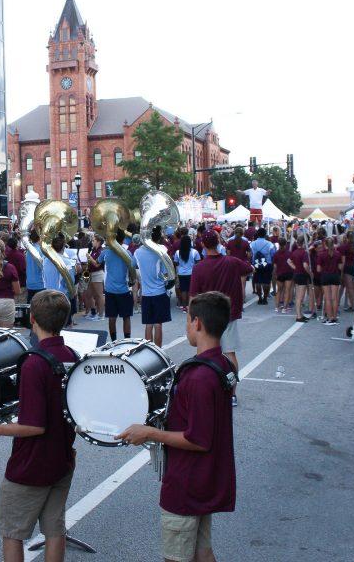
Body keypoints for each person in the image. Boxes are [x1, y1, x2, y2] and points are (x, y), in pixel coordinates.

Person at [117, 291, 235, 562]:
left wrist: (148, 432)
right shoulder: (222, 364)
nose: (187, 326)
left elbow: (198, 439)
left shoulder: (199, 377)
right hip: (205, 479)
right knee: (202, 552)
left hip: (187, 482)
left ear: (198, 324)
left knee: (177, 556)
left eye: (188, 321)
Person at [0, 290, 77, 562]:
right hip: (62, 457)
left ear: (32, 319)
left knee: (12, 533)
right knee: (54, 530)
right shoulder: (73, 356)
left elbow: (33, 426)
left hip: (30, 464)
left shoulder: (33, 363)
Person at [190, 231, 253, 407]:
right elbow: (250, 268)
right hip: (228, 314)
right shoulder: (232, 262)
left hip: (206, 315)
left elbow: (193, 296)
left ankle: (206, 391)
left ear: (203, 245)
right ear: (219, 242)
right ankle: (232, 393)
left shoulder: (199, 267)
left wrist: (191, 319)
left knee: (204, 354)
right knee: (229, 353)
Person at [135, 226, 172, 347]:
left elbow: (134, 267)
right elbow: (166, 273)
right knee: (158, 324)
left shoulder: (137, 252)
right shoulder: (162, 249)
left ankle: (149, 351)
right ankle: (159, 350)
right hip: (159, 292)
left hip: (145, 293)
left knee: (148, 324)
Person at [99, 229, 134, 341]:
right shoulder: (127, 253)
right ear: (123, 239)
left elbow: (98, 262)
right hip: (123, 289)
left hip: (109, 289)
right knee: (126, 317)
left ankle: (114, 341)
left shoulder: (105, 252)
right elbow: (133, 267)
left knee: (112, 317)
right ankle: (127, 340)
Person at [317, 237, 342, 325]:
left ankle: (329, 317)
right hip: (335, 276)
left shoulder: (321, 254)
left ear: (325, 244)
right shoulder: (338, 253)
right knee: (334, 298)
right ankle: (334, 317)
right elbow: (340, 267)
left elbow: (318, 269)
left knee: (327, 298)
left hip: (325, 276)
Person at [173, 234, 201, 313]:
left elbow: (175, 262)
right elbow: (198, 262)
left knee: (183, 290)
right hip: (192, 273)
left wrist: (180, 266)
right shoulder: (194, 252)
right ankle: (190, 306)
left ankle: (184, 307)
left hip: (181, 274)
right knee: (190, 290)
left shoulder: (178, 252)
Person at [288, 237, 313, 322]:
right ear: (303, 243)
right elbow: (305, 265)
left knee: (299, 296)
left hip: (296, 274)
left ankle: (300, 314)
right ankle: (298, 316)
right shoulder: (304, 253)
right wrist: (310, 273)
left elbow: (288, 261)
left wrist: (295, 268)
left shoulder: (294, 252)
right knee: (300, 297)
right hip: (302, 275)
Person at [84, 234, 106, 320]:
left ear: (98, 242)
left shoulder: (101, 251)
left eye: (93, 240)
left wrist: (89, 258)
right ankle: (94, 312)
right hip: (91, 273)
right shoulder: (93, 250)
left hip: (98, 273)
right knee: (88, 294)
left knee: (99, 295)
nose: (92, 242)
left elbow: (97, 264)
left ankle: (101, 315)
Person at [250, 228, 275, 305]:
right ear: (265, 234)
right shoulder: (270, 244)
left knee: (258, 281)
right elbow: (273, 255)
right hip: (267, 264)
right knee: (266, 282)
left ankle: (260, 298)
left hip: (256, 264)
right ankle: (265, 298)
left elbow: (250, 255)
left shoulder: (252, 244)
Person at [272, 238, 294, 314]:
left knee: (279, 291)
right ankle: (285, 308)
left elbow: (275, 266)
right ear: (285, 244)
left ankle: (277, 307)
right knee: (287, 291)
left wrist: (275, 274)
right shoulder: (289, 253)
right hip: (288, 273)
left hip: (279, 273)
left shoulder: (276, 254)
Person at [24, 230, 45, 303]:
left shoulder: (28, 250)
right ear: (40, 237)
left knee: (31, 309)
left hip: (30, 283)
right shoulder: (41, 250)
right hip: (40, 284)